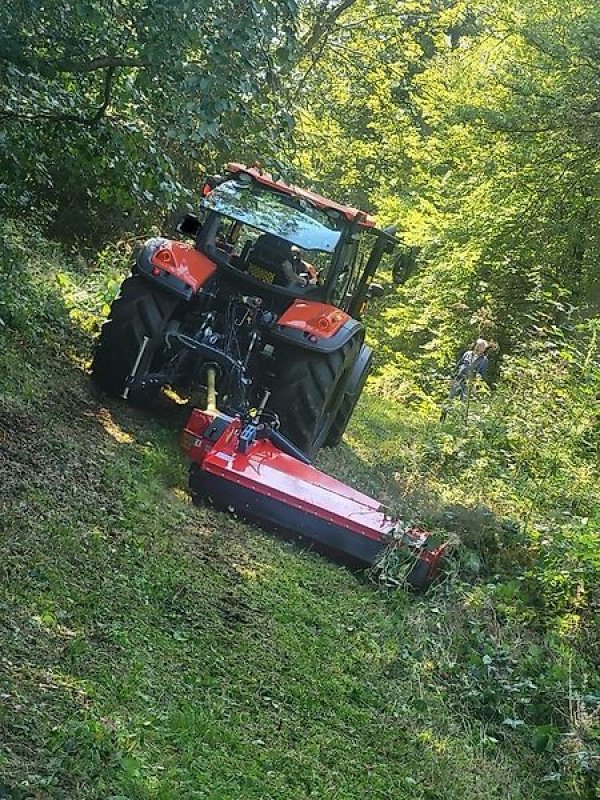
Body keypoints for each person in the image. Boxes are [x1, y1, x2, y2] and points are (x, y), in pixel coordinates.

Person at [448, 338, 490, 402]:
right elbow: (458, 365)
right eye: (477, 345)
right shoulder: (467, 353)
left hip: (469, 383)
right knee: (451, 398)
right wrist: (452, 378)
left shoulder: (484, 360)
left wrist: (478, 386)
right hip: (458, 379)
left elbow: (483, 374)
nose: (478, 347)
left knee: (464, 401)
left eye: (481, 346)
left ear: (484, 349)